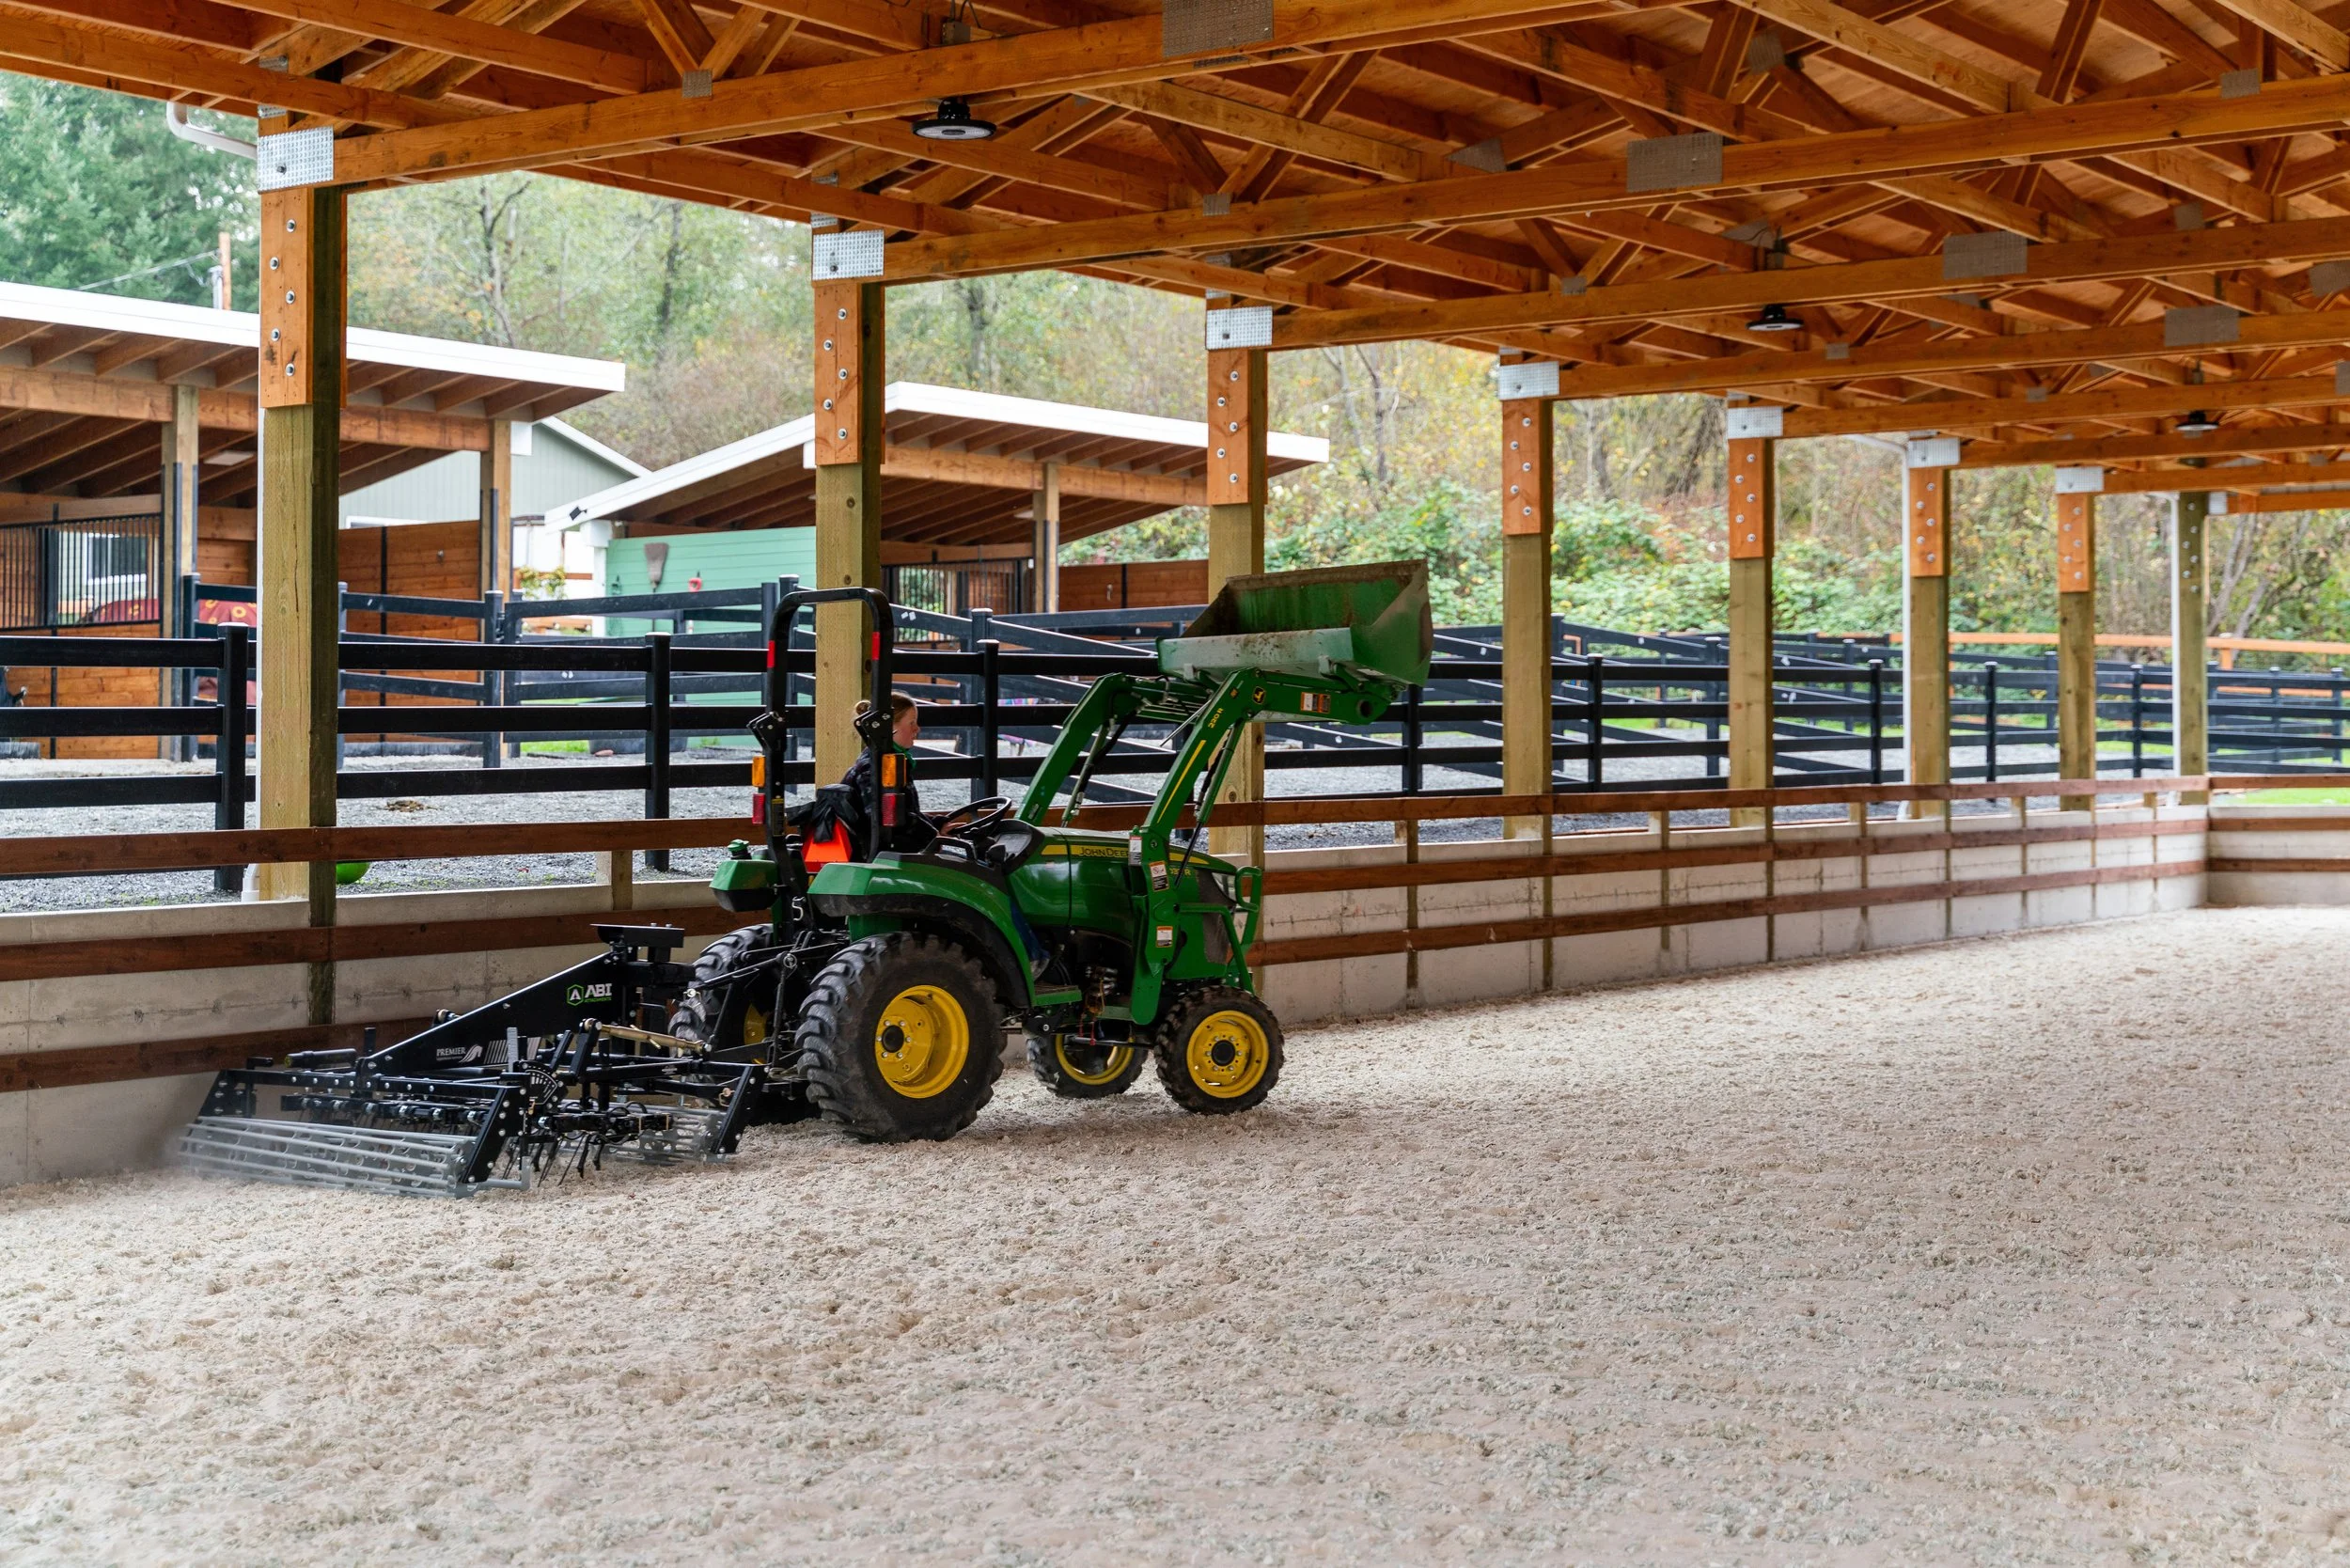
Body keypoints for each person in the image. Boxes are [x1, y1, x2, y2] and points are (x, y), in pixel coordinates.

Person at [839, 693, 935, 855]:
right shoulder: (871, 768)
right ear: (890, 727)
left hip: (891, 849)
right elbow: (885, 819)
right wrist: (931, 834)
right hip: (877, 854)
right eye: (911, 723)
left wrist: (937, 824)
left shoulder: (892, 761)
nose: (917, 728)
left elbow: (905, 812)